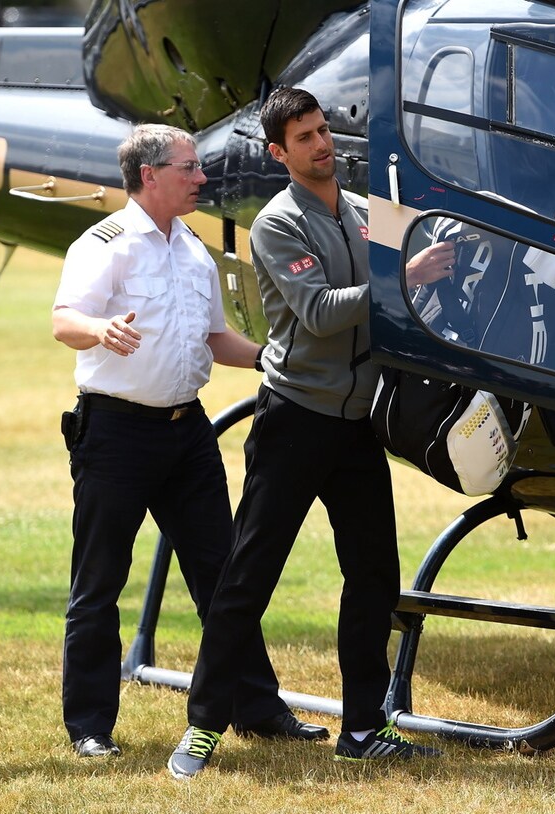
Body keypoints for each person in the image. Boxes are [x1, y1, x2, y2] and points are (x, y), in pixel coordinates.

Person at [168, 88, 452, 778]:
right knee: (249, 576)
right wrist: (402, 279)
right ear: (279, 152)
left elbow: (414, 277)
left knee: (375, 576)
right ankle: (203, 726)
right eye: (304, 137)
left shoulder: (362, 212)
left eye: (323, 131)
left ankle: (364, 728)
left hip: (357, 425)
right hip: (294, 420)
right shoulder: (277, 224)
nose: (322, 144)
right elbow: (321, 313)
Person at [51, 123, 328, 759]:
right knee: (99, 582)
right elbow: (64, 320)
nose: (202, 177)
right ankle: (90, 727)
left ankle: (256, 708)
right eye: (189, 167)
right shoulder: (106, 244)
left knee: (225, 577)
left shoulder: (193, 249)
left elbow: (213, 338)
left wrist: (275, 359)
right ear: (149, 176)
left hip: (188, 434)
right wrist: (100, 329)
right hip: (116, 435)